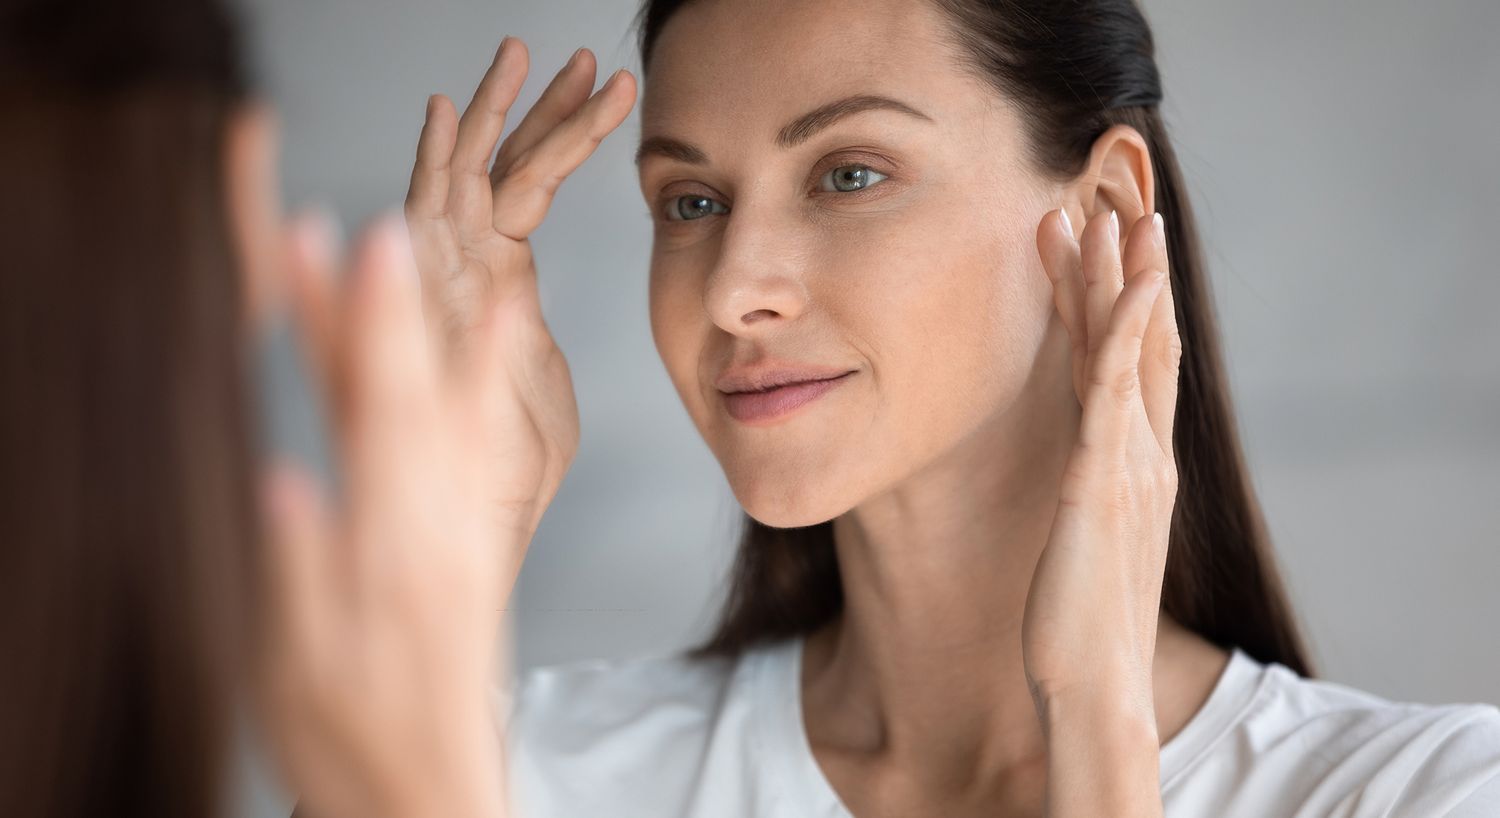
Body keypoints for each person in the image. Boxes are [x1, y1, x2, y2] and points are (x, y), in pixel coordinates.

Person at [391, 1, 1500, 816]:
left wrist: (1099, 727)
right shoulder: (510, 770)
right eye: (691, 201)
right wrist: (461, 537)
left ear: (1106, 205)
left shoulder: (1426, 791)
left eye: (851, 172)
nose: (733, 288)